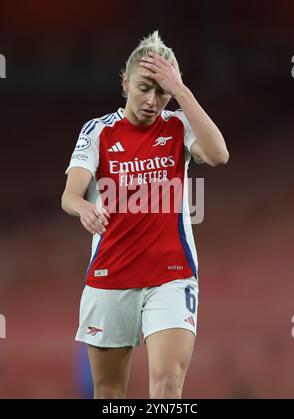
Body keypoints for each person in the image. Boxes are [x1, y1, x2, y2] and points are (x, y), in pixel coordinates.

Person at [61, 30, 229, 399]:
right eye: (144, 88)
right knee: (108, 394)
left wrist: (182, 92)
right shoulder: (98, 131)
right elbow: (70, 195)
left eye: (162, 91)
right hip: (111, 273)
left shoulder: (178, 126)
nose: (153, 100)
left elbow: (219, 155)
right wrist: (85, 207)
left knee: (167, 385)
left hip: (170, 276)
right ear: (124, 83)